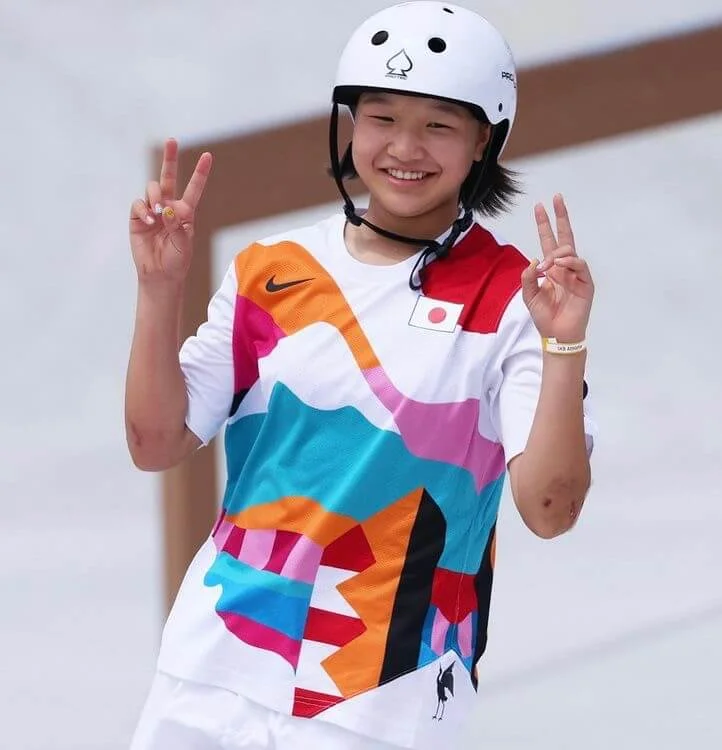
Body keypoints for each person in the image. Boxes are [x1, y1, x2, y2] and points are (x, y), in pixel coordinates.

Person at [125, 2, 597, 748]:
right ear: (349, 124)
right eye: (381, 118)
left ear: (484, 140)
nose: (405, 147)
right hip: (212, 662)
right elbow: (155, 443)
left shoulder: (515, 298)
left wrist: (564, 346)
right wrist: (159, 290)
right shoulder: (270, 269)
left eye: (439, 124)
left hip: (383, 696)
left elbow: (550, 508)